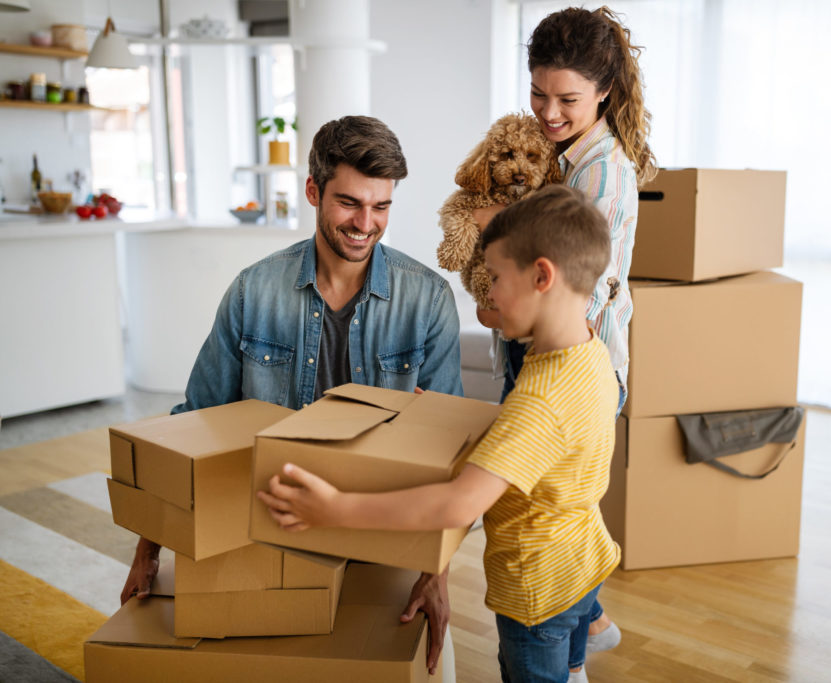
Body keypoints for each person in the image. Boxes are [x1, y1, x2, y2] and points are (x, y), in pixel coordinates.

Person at [118, 115, 463, 677]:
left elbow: (449, 454)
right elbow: (193, 424)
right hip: (267, 524)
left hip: (381, 530)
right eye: (349, 203)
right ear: (312, 191)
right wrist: (148, 550)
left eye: (381, 207)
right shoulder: (255, 291)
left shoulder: (427, 299)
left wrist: (436, 573)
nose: (366, 224)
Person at [259, 185, 620, 683]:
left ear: (541, 276)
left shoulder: (541, 398)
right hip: (583, 563)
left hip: (537, 592)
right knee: (569, 664)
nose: (488, 293)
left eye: (494, 278)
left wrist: (334, 509)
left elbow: (456, 506)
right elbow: (550, 437)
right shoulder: (584, 352)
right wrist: (453, 414)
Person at [474, 4, 657, 657]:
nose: (548, 111)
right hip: (553, 356)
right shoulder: (565, 154)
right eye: (538, 93)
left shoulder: (602, 170)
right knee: (560, 507)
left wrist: (499, 234)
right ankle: (588, 631)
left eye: (567, 99)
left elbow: (573, 276)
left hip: (578, 365)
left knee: (549, 512)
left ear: (604, 91)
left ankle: (577, 641)